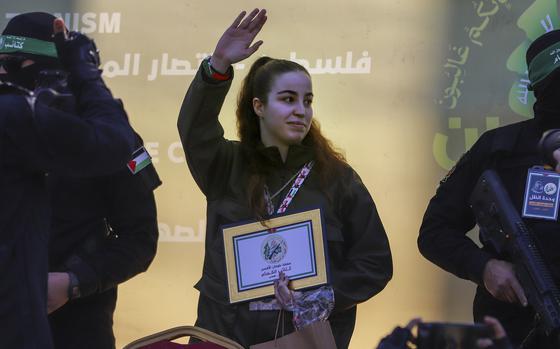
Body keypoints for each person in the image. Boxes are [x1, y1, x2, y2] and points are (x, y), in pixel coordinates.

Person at [177, 8, 393, 349]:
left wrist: (325, 296)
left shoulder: (337, 178)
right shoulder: (227, 164)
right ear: (259, 106)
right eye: (288, 99)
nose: (300, 110)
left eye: (307, 101)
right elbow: (195, 130)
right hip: (224, 334)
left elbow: (374, 262)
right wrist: (218, 65)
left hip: (301, 339)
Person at [0, 12, 135, 348]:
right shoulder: (16, 119)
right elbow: (113, 141)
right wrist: (87, 74)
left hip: (80, 327)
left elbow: (138, 238)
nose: (3, 72)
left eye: (18, 63)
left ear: (54, 71)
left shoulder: (92, 129)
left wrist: (75, 281)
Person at [418, 29, 560, 349]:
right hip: (513, 328)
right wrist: (484, 267)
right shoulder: (499, 149)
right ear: (543, 85)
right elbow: (435, 231)